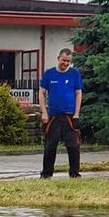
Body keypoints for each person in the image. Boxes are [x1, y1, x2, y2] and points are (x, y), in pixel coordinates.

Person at [39, 48, 84, 179]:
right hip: (53, 116)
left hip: (69, 116)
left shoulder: (74, 74)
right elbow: (41, 93)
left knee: (73, 146)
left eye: (68, 61)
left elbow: (78, 93)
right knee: (50, 146)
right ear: (58, 58)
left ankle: (74, 173)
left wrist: (76, 114)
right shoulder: (49, 74)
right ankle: (46, 174)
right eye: (64, 60)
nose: (65, 63)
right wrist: (44, 113)